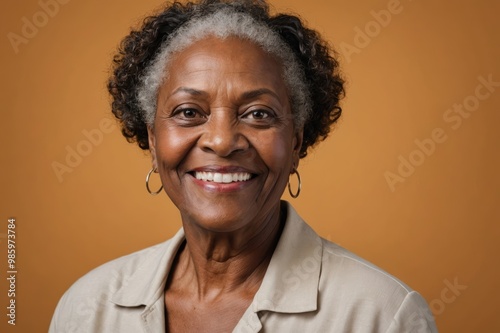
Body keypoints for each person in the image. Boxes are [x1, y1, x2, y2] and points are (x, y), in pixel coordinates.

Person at [50, 0, 438, 332]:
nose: (221, 140)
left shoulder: (381, 315)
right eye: (188, 112)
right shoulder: (88, 308)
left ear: (297, 141)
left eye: (258, 114)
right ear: (153, 139)